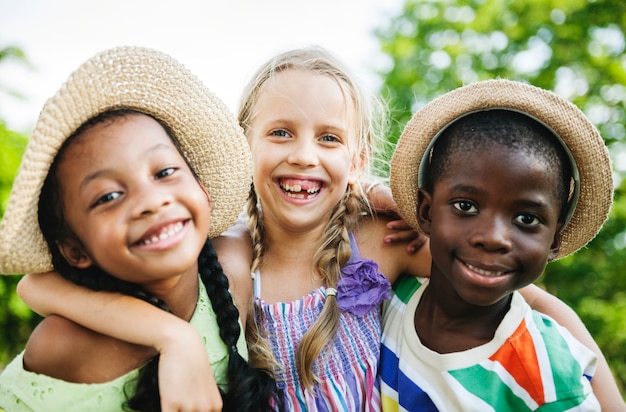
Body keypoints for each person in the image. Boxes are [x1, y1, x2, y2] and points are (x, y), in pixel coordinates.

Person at [14, 48, 624, 411]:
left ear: (356, 160)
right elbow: (38, 286)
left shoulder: (382, 241)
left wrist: (607, 398)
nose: (304, 155)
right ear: (242, 145)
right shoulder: (225, 258)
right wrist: (174, 342)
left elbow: (539, 308)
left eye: (328, 139)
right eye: (280, 132)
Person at [0, 46, 277, 412]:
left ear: (203, 194)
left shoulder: (229, 271)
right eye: (109, 196)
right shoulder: (64, 346)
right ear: (73, 250)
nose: (150, 200)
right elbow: (31, 284)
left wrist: (371, 191)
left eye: (164, 173)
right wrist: (173, 336)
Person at [379, 79, 619, 410]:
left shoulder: (550, 381)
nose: (493, 238)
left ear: (555, 241)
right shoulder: (387, 299)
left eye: (526, 219)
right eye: (466, 206)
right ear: (426, 211)